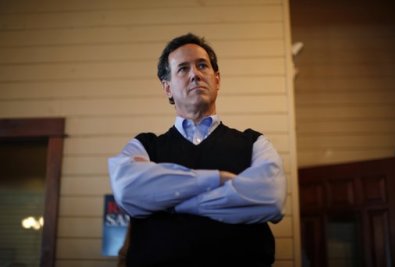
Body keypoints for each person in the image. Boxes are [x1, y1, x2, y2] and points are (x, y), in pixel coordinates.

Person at [108, 33, 287, 267]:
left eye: (202, 65)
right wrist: (218, 179)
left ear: (217, 79)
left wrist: (175, 202)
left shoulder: (254, 142)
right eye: (182, 68)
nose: (195, 74)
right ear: (167, 88)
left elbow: (271, 198)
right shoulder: (144, 146)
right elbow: (128, 191)